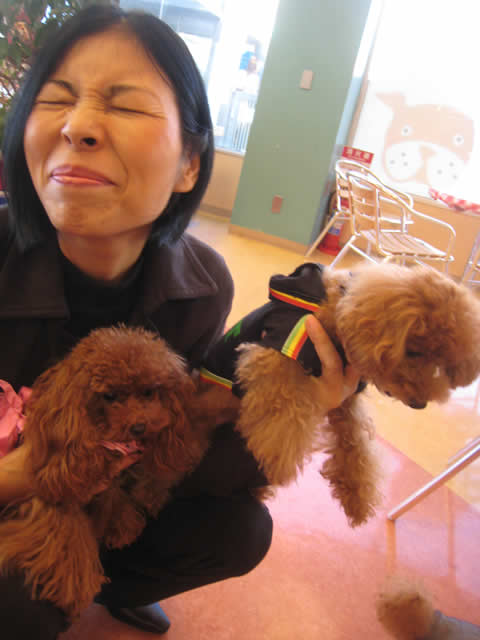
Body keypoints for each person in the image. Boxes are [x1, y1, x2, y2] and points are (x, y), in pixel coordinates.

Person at [0, 6, 360, 639]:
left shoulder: (202, 286)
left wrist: (295, 407)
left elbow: (182, 448)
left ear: (190, 163)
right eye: (55, 100)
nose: (78, 126)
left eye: (125, 105)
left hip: (109, 491)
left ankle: (106, 583)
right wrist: (19, 476)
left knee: (239, 531)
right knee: (21, 601)